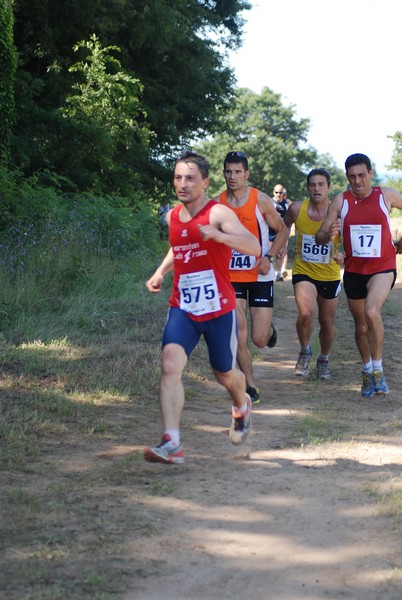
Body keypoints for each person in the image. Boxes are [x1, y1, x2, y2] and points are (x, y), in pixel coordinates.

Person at [144, 151, 261, 464]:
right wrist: (160, 272)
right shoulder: (172, 217)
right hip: (183, 306)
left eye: (191, 178)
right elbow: (179, 246)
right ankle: (172, 442)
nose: (183, 184)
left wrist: (220, 236)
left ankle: (241, 405)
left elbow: (253, 246)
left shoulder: (218, 213)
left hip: (218, 308)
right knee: (169, 364)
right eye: (178, 177)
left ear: (205, 182)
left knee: (225, 374)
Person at [315, 153, 402, 397]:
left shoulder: (385, 195)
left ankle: (378, 370)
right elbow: (320, 236)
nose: (358, 181)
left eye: (362, 175)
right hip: (354, 271)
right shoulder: (340, 201)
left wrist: (401, 243)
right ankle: (366, 371)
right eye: (352, 177)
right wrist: (329, 234)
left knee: (372, 312)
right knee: (361, 326)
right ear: (347, 178)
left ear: (370, 174)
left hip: (383, 267)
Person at [216, 151, 288, 405]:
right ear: (224, 173)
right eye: (229, 171)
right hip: (231, 276)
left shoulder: (261, 200)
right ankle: (250, 385)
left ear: (246, 174)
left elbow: (283, 230)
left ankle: (269, 330)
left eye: (238, 172)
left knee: (258, 339)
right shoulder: (217, 203)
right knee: (238, 332)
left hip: (260, 274)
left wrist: (268, 256)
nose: (233, 176)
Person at [284, 168, 341, 379]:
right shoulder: (297, 208)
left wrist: (343, 255)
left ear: (329, 187)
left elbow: (349, 242)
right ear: (307, 187)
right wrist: (279, 247)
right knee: (306, 313)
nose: (316, 189)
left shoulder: (339, 212)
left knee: (327, 322)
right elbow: (284, 227)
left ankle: (324, 358)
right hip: (303, 270)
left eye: (321, 185)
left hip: (329, 273)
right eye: (312, 185)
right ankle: (304, 351)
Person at [270, 183, 292, 281]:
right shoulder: (269, 202)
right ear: (273, 192)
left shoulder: (287, 203)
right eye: (276, 192)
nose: (278, 194)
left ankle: (278, 273)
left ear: (284, 193)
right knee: (270, 252)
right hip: (270, 232)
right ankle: (270, 272)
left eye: (280, 192)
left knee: (282, 252)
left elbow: (292, 217)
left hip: (283, 232)